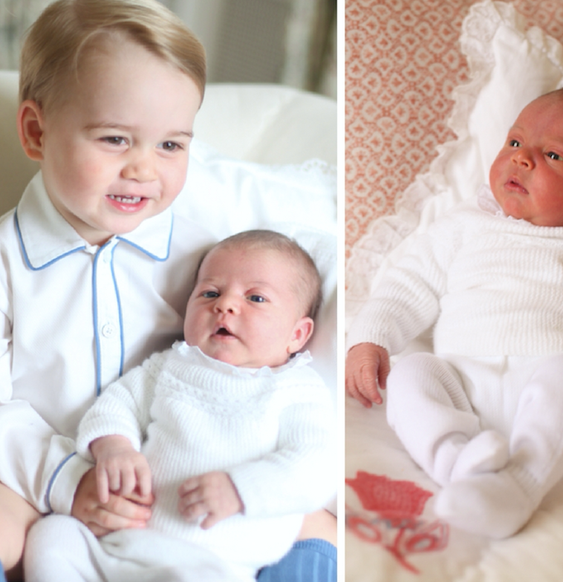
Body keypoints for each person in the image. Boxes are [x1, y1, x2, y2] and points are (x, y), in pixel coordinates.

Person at [0, 0, 334, 582]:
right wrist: (70, 478)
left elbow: (317, 225)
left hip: (190, 469)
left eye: (171, 144)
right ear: (37, 132)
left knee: (314, 526)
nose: (145, 169)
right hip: (44, 474)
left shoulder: (208, 219)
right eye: (115, 139)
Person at [345, 86, 563, 539]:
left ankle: (521, 484)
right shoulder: (462, 225)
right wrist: (371, 339)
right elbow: (406, 286)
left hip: (552, 404)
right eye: (516, 142)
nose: (522, 159)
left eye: (555, 156)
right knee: (412, 374)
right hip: (460, 383)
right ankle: (457, 465)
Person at [24, 230, 336, 582]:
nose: (225, 305)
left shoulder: (295, 389)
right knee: (52, 535)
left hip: (212, 565)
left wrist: (241, 489)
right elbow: (117, 403)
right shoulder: (171, 365)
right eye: (210, 292)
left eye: (256, 298)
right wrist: (114, 446)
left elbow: (316, 467)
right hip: (117, 546)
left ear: (297, 334)